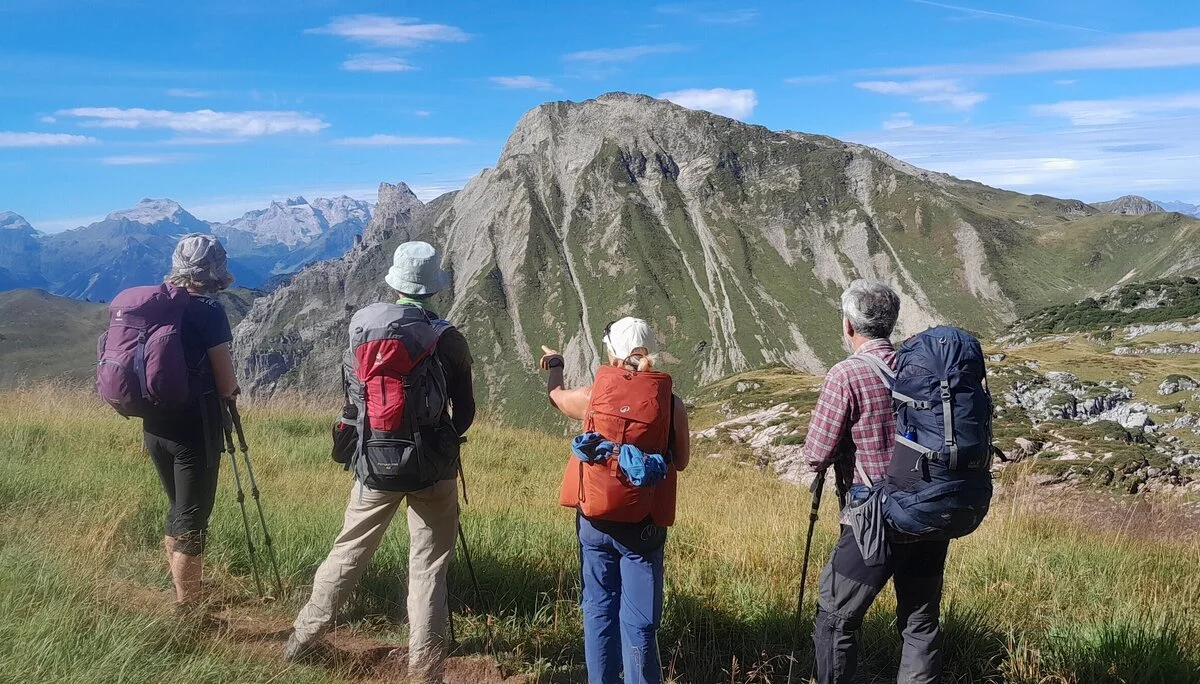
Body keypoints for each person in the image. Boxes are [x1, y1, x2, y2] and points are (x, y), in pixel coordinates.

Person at [285, 241, 475, 684]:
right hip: (432, 467)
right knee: (427, 565)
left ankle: (303, 636)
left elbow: (352, 398)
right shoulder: (447, 337)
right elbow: (465, 410)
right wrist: (449, 437)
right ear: (433, 289)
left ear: (395, 283)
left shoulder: (361, 329)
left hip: (374, 458)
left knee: (349, 547)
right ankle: (424, 671)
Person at [803, 280, 948, 684]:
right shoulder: (918, 368)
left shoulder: (847, 374)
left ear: (849, 326)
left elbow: (816, 453)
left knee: (836, 616)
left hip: (873, 520)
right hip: (927, 512)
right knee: (920, 622)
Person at [539, 317, 690, 684]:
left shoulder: (593, 397)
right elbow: (681, 462)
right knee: (639, 620)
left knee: (598, 608)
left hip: (594, 519)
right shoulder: (671, 404)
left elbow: (556, 397)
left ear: (611, 353)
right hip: (643, 527)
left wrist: (556, 365)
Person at [145, 233, 239, 611]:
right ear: (215, 267)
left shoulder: (158, 305)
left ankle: (183, 592)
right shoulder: (209, 311)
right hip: (194, 428)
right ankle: (188, 611)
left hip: (154, 424)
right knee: (193, 517)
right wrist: (231, 395)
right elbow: (226, 381)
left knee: (178, 509)